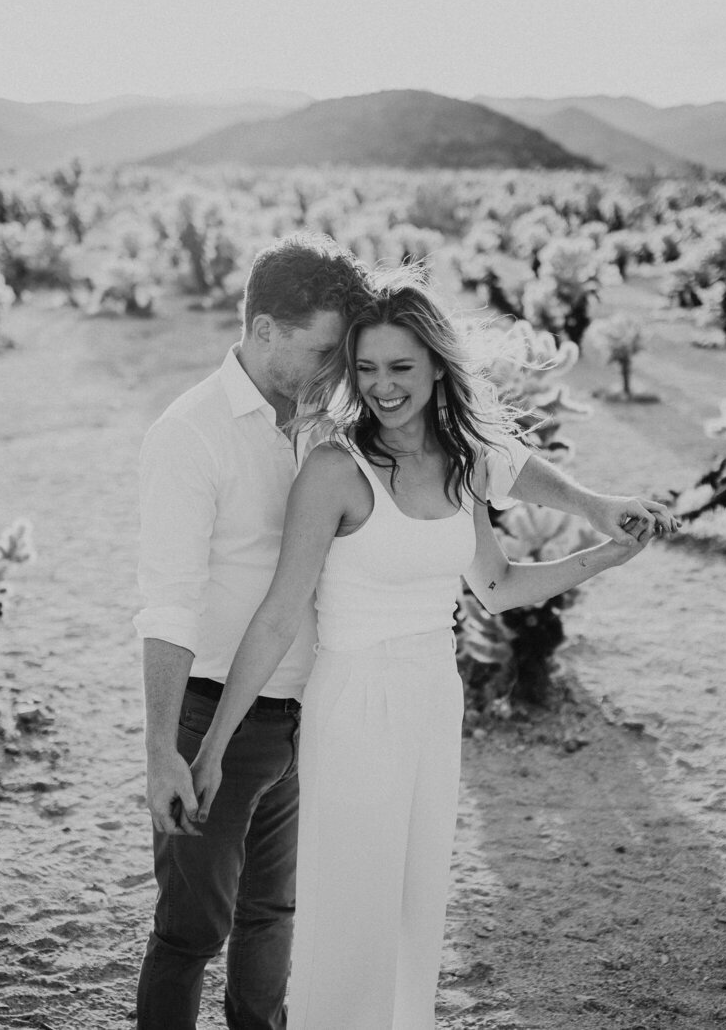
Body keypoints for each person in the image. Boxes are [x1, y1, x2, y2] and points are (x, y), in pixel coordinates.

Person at [134, 233, 667, 1030]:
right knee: (194, 930)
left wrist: (599, 527)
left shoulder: (335, 419)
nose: (353, 377)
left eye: (379, 365)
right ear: (267, 331)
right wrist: (175, 749)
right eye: (344, 358)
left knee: (290, 914)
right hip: (231, 702)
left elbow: (496, 488)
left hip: (339, 704)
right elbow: (196, 605)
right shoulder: (210, 435)